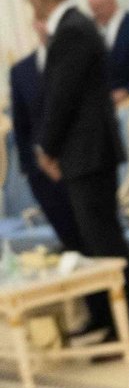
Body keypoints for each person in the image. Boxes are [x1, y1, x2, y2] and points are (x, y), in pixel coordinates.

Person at [26, 0, 129, 351]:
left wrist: (46, 147)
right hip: (85, 153)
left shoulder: (72, 30)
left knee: (106, 244)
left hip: (88, 153)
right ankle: (109, 321)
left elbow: (63, 97)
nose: (27, 3)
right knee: (96, 243)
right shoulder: (72, 27)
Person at [8, 23, 82, 256]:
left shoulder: (77, 61)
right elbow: (21, 126)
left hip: (79, 164)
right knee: (69, 240)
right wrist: (33, 167)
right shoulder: (21, 71)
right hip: (42, 174)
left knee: (93, 238)